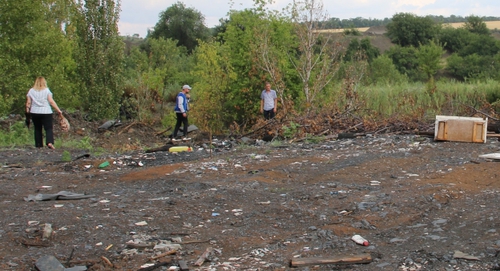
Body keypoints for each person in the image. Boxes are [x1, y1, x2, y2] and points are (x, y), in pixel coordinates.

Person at [26, 76, 63, 149]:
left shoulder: (31, 91)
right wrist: (58, 110)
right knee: (48, 128)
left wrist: (27, 112)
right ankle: (49, 142)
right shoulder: (46, 90)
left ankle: (39, 144)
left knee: (37, 128)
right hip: (46, 112)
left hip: (34, 112)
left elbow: (28, 103)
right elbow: (51, 102)